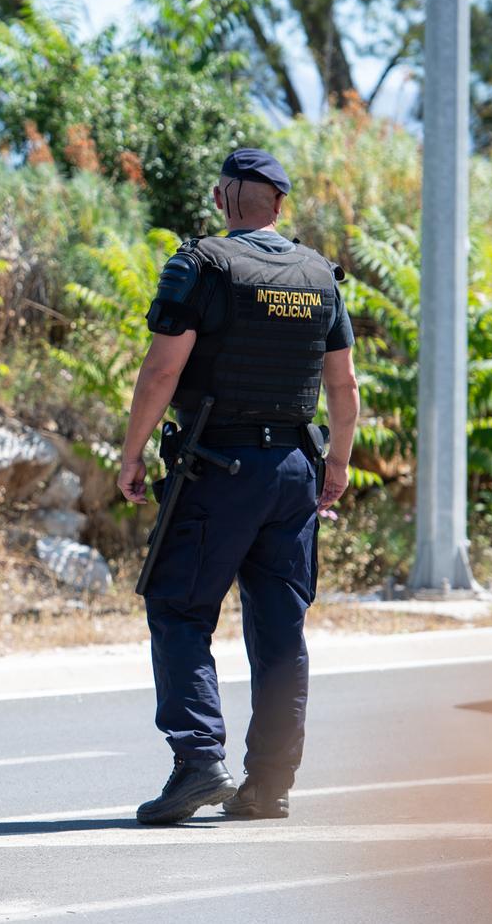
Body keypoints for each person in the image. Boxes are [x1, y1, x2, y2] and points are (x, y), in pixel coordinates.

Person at [117, 147, 359, 824]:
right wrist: (336, 464)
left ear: (223, 199)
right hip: (292, 472)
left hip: (217, 468)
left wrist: (132, 452)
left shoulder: (203, 264)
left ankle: (198, 761)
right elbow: (343, 385)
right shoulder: (320, 274)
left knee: (179, 607)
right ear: (279, 204)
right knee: (282, 631)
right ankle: (268, 785)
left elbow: (163, 370)